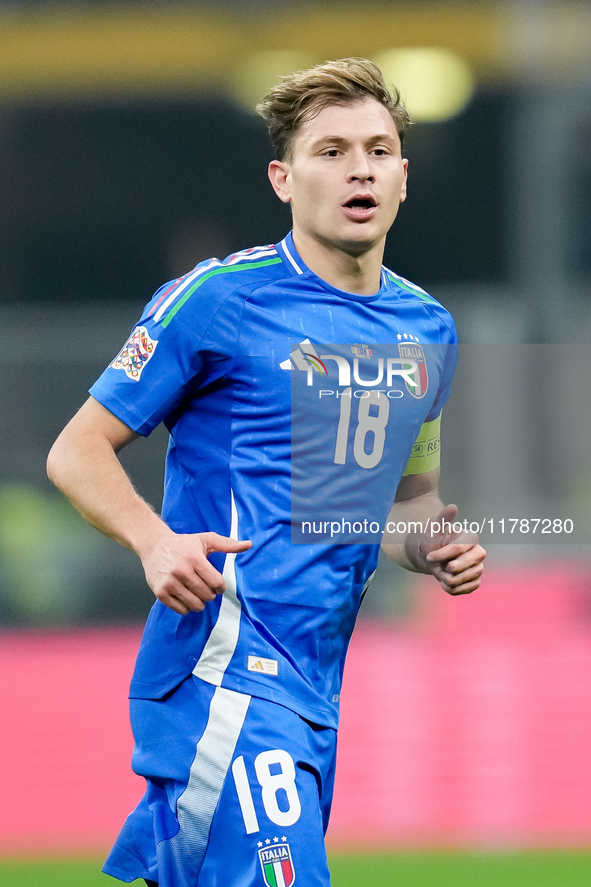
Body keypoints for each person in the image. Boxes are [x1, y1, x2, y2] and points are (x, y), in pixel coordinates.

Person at [47, 57, 485, 887]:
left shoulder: (425, 329)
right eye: (329, 151)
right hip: (224, 674)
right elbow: (75, 450)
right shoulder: (216, 300)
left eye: (378, 149)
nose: (358, 167)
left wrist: (430, 544)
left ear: (402, 178)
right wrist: (153, 539)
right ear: (283, 178)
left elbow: (402, 501)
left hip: (313, 690)